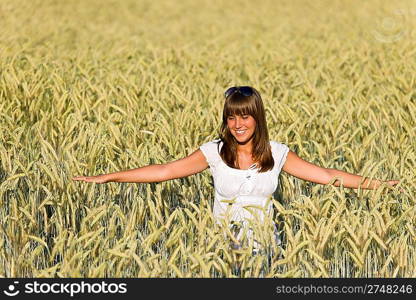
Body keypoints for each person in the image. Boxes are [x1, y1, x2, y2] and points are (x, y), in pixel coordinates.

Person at [72, 86, 400, 251]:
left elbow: (330, 177)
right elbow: (163, 172)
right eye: (231, 117)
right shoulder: (213, 152)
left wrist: (380, 185)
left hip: (265, 249)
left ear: (257, 117)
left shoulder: (278, 153)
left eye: (244, 116)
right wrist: (108, 176)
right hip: (221, 248)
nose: (237, 124)